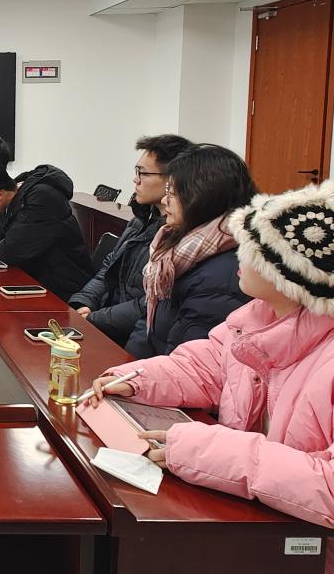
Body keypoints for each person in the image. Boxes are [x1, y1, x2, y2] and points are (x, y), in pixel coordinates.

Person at [85, 179, 334, 531]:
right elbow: (207, 367)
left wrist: (204, 452)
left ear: (289, 275)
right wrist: (137, 381)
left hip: (302, 544)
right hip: (249, 523)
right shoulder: (256, 319)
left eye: (252, 249)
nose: (238, 256)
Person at [124, 144, 255, 359]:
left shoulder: (222, 274)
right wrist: (123, 366)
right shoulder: (176, 248)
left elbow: (186, 362)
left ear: (203, 197)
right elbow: (148, 327)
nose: (164, 200)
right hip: (148, 370)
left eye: (172, 193)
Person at [68, 135, 193, 347]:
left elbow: (152, 303)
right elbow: (109, 266)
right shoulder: (141, 220)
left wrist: (95, 319)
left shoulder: (182, 236)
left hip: (134, 339)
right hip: (105, 324)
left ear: (172, 180)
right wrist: (84, 301)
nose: (136, 180)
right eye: (136, 172)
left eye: (143, 173)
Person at [0, 162, 93, 300]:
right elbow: (12, 232)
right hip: (40, 278)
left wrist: (0, 245)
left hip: (63, 286)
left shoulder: (41, 198)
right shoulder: (19, 195)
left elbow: (11, 251)